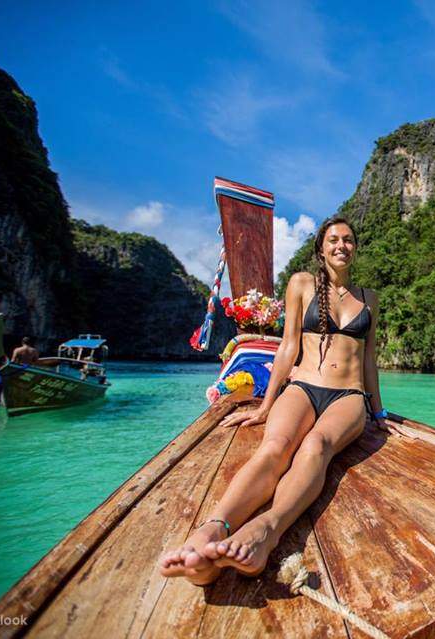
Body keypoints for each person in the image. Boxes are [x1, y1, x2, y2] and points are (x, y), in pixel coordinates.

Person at [158, 217, 387, 585]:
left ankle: (267, 530)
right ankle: (212, 530)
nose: (341, 245)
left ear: (355, 248)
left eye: (348, 240)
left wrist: (379, 412)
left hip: (348, 395)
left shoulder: (369, 298)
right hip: (303, 386)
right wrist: (266, 404)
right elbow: (289, 347)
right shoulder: (302, 284)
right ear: (321, 248)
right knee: (275, 447)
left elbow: (369, 359)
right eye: (333, 240)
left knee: (317, 445)